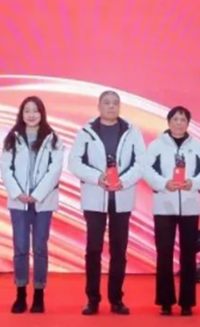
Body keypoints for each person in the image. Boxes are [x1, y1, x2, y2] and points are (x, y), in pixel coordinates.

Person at [68, 90, 146, 315]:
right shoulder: (87, 131)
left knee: (119, 250)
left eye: (115, 103)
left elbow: (141, 162)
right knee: (93, 249)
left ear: (119, 107)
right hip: (95, 197)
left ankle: (116, 299)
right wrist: (97, 177)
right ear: (99, 106)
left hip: (122, 198)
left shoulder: (131, 131)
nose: (111, 106)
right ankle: (92, 299)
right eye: (106, 103)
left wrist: (124, 180)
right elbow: (74, 162)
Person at [142, 106, 200, 316]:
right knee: (164, 252)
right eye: (175, 119)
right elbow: (146, 169)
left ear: (188, 123)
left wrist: (193, 183)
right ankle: (165, 301)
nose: (179, 123)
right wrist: (164, 183)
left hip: (190, 205)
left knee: (188, 254)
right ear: (168, 121)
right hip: (164, 204)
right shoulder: (157, 145)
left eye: (183, 120)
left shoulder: (197, 147)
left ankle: (187, 302)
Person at [0, 96, 65, 313]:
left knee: (39, 248)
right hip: (18, 203)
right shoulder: (12, 138)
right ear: (21, 113)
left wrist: (37, 194)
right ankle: (20, 294)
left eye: (35, 110)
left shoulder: (53, 139)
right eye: (27, 110)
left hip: (43, 203)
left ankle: (39, 294)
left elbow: (54, 170)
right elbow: (5, 169)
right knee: (20, 247)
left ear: (42, 113)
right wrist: (18, 193)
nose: (31, 115)